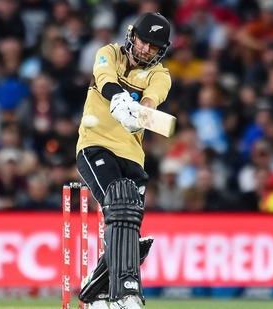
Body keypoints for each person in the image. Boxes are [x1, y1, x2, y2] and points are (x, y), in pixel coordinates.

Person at [75, 12, 172, 309]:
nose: (146, 50)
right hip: (95, 146)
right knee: (120, 204)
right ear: (132, 35)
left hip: (132, 156)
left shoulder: (160, 74)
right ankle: (126, 292)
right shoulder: (109, 53)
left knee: (125, 220)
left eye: (154, 47)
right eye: (144, 42)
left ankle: (96, 290)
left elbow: (152, 101)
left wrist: (140, 113)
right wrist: (118, 99)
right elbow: (104, 78)